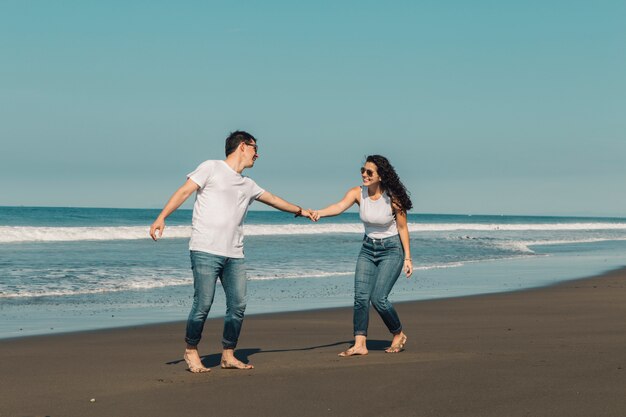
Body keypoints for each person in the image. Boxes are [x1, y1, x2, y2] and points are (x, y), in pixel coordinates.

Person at [150, 131, 313, 372]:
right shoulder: (211, 167)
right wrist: (161, 217)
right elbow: (184, 191)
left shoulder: (248, 184)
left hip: (235, 254)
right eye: (254, 148)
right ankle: (191, 350)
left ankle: (228, 354)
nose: (257, 154)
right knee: (203, 303)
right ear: (242, 147)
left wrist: (302, 210)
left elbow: (275, 200)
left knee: (237, 304)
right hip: (205, 249)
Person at [311, 155, 413, 356]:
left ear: (381, 176)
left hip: (392, 250)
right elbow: (339, 207)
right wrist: (319, 213)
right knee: (360, 297)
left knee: (379, 298)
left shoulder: (393, 198)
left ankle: (398, 333)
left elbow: (402, 228)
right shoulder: (358, 193)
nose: (364, 175)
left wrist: (408, 258)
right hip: (368, 249)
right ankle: (360, 344)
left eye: (369, 172)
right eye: (363, 170)